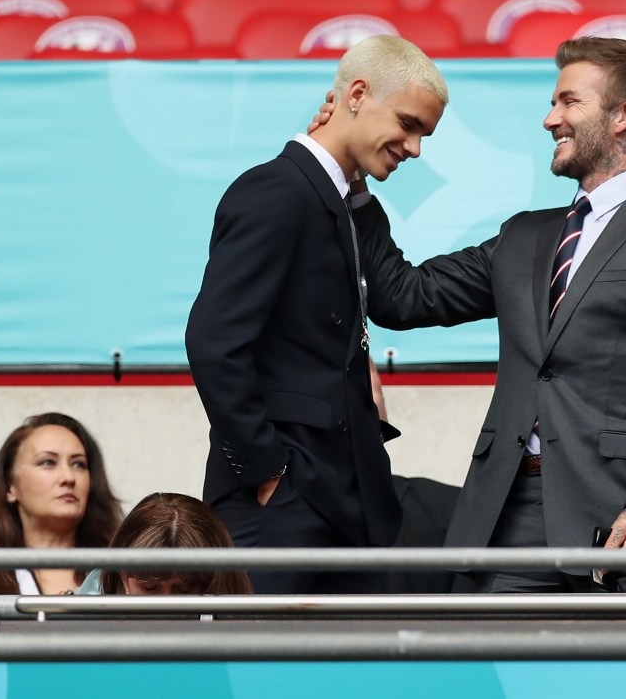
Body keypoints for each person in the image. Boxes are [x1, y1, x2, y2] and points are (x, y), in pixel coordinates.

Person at [338, 36, 626, 592]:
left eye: (569, 102)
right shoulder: (525, 236)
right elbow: (401, 296)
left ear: (625, 115)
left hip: (620, 523)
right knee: (489, 681)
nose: (550, 119)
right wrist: (351, 181)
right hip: (503, 521)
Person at [184, 35, 448, 593]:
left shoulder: (338, 198)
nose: (416, 147)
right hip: (284, 503)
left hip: (342, 502)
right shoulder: (277, 190)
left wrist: (353, 183)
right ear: (356, 93)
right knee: (269, 678)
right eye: (408, 123)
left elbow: (394, 294)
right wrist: (268, 471)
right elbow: (213, 342)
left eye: (424, 132)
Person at [0, 412, 123, 595]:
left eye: (78, 464)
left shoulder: (120, 569)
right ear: (10, 486)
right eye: (47, 462)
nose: (68, 478)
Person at [77, 492, 252, 595]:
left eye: (184, 590)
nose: (166, 604)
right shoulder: (94, 596)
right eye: (150, 587)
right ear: (122, 576)